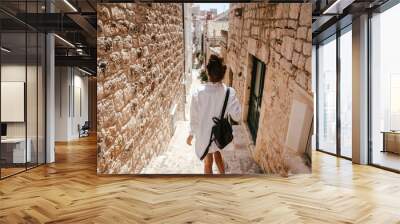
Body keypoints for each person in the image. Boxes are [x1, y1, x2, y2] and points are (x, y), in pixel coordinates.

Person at [186, 54, 241, 174]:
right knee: (217, 154)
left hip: (204, 135)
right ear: (223, 74)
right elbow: (237, 116)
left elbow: (194, 117)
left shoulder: (198, 93)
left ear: (208, 72)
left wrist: (191, 134)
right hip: (219, 134)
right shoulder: (229, 92)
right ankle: (222, 179)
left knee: (208, 162)